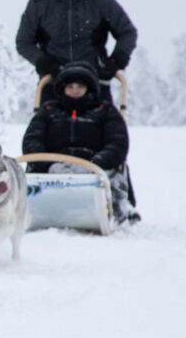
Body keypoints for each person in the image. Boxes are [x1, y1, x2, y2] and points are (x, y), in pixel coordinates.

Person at [22, 61, 139, 224]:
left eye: (80, 86)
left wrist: (97, 163)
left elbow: (117, 143)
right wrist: (45, 163)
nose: (75, 90)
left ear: (89, 88)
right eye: (70, 86)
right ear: (63, 88)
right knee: (23, 177)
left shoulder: (105, 111)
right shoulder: (49, 110)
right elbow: (32, 140)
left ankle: (120, 213)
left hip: (94, 166)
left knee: (114, 177)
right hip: (53, 166)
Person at [16, 0, 137, 102]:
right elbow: (24, 41)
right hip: (54, 82)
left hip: (94, 82)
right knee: (47, 119)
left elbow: (127, 32)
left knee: (108, 119)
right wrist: (43, 62)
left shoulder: (102, 1)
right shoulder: (39, 3)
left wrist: (115, 60)